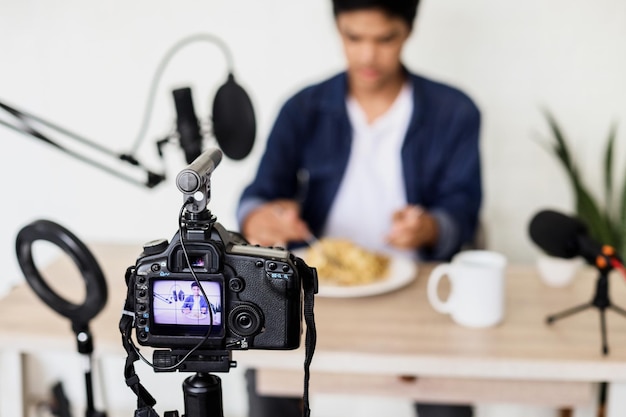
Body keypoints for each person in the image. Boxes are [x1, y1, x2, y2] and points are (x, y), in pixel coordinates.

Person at [237, 0, 481, 416]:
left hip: (422, 294)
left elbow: (463, 209)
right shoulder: (303, 108)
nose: (368, 55)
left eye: (385, 39)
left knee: (449, 394)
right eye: (354, 38)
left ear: (407, 32)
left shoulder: (454, 111)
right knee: (267, 375)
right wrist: (261, 217)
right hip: (315, 292)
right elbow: (259, 194)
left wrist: (429, 228)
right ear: (337, 29)